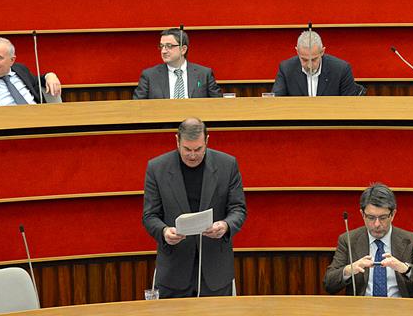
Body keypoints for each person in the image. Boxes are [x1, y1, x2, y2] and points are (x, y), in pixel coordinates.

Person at [142, 118, 247, 298]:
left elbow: (238, 209)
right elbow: (150, 215)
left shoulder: (227, 165)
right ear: (177, 141)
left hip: (215, 271)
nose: (192, 155)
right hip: (173, 271)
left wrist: (226, 225)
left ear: (207, 141)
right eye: (187, 149)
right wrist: (164, 231)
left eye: (198, 149)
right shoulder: (157, 168)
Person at [324, 183, 413, 297]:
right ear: (362, 214)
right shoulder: (348, 240)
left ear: (393, 214)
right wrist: (349, 270)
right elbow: (329, 284)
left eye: (383, 218)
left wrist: (404, 268)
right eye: (371, 217)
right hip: (361, 310)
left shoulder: (411, 241)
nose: (377, 224)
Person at [0, 37, 61, 107]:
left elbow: (37, 81)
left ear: (12, 60)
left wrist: (50, 75)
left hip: (39, 121)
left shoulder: (21, 70)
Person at [133, 28, 222, 99]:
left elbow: (218, 104)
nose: (163, 51)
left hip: (195, 119)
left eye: (169, 46)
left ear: (183, 49)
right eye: (161, 46)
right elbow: (137, 107)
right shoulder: (149, 76)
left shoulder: (204, 74)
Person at [272, 30, 360, 96]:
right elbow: (276, 102)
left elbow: (350, 105)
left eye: (314, 59)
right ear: (297, 52)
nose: (309, 65)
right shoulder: (286, 69)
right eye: (304, 60)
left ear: (322, 52)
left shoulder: (341, 69)